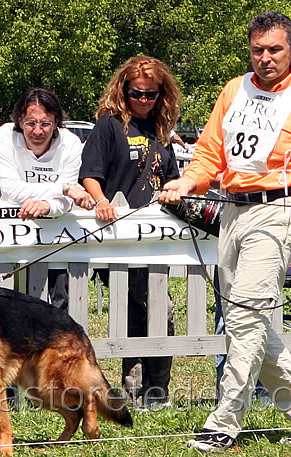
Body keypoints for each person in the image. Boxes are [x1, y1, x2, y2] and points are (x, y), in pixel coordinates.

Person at [159, 11, 291, 452]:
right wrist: (187, 182)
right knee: (249, 322)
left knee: (245, 316)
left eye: (274, 50)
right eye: (257, 50)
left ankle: (224, 424)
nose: (265, 58)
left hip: (279, 210)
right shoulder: (233, 90)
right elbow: (210, 152)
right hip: (232, 211)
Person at [79, 56, 180, 408]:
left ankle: (143, 392)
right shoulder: (109, 127)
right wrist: (100, 201)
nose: (143, 100)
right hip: (119, 240)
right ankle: (154, 391)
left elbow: (169, 179)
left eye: (151, 95)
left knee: (142, 315)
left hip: (156, 239)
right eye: (137, 93)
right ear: (123, 90)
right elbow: (89, 173)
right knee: (157, 309)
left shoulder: (162, 132)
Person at [0, 87, 94, 310]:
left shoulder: (70, 143)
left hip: (56, 229)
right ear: (19, 121)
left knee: (60, 304)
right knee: (9, 305)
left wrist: (45, 205)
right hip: (8, 229)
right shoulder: (3, 136)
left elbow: (66, 202)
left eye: (45, 123)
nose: (37, 131)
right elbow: (11, 190)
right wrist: (63, 188)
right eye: (30, 123)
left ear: (56, 123)